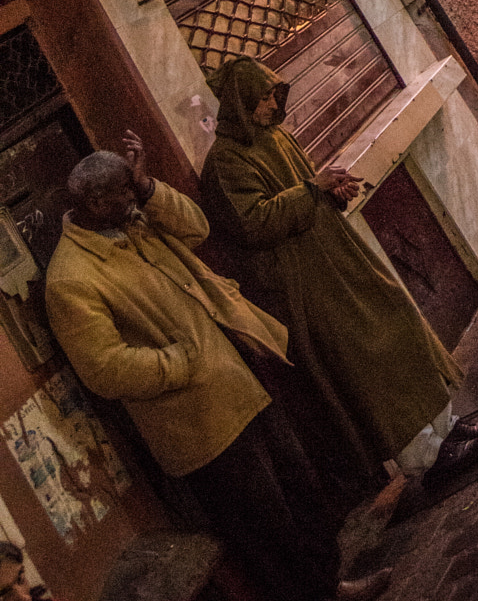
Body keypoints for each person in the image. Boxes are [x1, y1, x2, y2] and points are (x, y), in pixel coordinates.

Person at [44, 137, 389, 601]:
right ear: (93, 202)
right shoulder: (72, 279)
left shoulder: (137, 222)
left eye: (134, 190)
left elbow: (197, 227)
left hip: (238, 384)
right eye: (124, 193)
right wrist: (184, 363)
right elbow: (105, 368)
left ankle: (330, 588)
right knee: (270, 532)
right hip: (200, 426)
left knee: (305, 494)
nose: (133, 200)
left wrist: (148, 187)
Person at [198, 62, 478, 500]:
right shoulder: (224, 163)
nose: (270, 105)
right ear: (240, 103)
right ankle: (425, 457)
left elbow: (309, 187)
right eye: (261, 99)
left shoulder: (276, 136)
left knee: (399, 323)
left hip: (337, 255)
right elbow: (252, 223)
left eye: (274, 95)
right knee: (367, 361)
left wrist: (331, 191)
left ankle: (445, 425)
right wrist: (312, 190)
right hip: (305, 280)